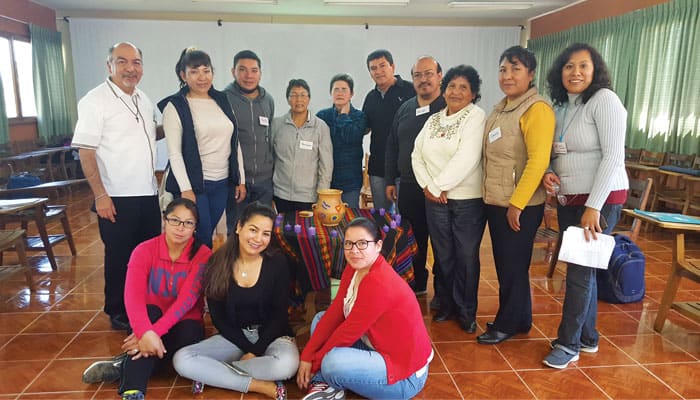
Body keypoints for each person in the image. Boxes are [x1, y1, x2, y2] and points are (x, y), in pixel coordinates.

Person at [542, 43, 628, 369]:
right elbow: (556, 152)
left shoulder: (605, 100)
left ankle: (568, 344)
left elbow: (613, 157)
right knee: (583, 269)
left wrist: (595, 205)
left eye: (583, 66)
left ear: (595, 71)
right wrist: (549, 172)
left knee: (578, 272)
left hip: (599, 200)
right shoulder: (562, 106)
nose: (575, 72)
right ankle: (587, 337)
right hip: (569, 199)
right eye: (568, 66)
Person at [81, 198, 211, 400]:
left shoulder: (203, 255)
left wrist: (151, 335)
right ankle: (132, 391)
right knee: (151, 313)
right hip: (149, 319)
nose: (180, 228)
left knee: (187, 339)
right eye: (175, 220)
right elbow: (132, 298)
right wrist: (145, 331)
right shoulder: (144, 250)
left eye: (188, 223)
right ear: (164, 220)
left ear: (195, 228)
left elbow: (185, 303)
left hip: (183, 320)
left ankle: (123, 364)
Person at [72, 42, 161, 332]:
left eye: (136, 62)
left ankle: (141, 303)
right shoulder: (94, 101)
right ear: (109, 65)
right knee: (120, 257)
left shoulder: (143, 99)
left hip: (147, 192)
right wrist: (100, 195)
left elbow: (149, 133)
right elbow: (86, 150)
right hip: (116, 196)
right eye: (122, 62)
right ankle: (118, 310)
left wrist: (179, 126)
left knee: (146, 254)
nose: (130, 68)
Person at [297, 218, 432, 400]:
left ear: (378, 245)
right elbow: (336, 311)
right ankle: (330, 383)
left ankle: (326, 381)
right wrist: (307, 356)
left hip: (403, 375)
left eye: (362, 243)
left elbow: (348, 332)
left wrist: (314, 365)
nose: (354, 251)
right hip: (376, 345)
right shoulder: (355, 267)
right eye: (349, 244)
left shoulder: (378, 281)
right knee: (321, 318)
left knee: (331, 362)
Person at [173, 202, 298, 399]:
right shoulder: (218, 262)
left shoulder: (277, 262)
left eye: (266, 233)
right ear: (239, 227)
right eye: (253, 230)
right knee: (182, 359)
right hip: (233, 337)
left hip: (273, 337)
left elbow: (279, 314)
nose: (258, 239)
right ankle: (256, 384)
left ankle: (214, 373)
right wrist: (247, 349)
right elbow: (218, 318)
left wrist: (255, 351)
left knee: (286, 366)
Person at [478, 46, 556, 345]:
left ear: (531, 74)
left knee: (512, 265)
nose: (507, 76)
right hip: (497, 200)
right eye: (503, 70)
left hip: (518, 205)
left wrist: (517, 204)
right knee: (509, 263)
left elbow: (538, 161)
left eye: (515, 69)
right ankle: (521, 318)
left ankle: (507, 323)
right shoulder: (500, 109)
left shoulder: (537, 110)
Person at [411, 65, 487, 333]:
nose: (456, 92)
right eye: (452, 86)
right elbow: (416, 154)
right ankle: (445, 304)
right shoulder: (433, 120)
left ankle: (466, 310)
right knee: (443, 255)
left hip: (467, 200)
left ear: (473, 93)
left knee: (465, 256)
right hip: (434, 198)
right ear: (444, 91)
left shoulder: (475, 117)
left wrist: (439, 185)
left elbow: (467, 158)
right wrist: (429, 187)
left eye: (463, 87)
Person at [158, 48, 244, 249]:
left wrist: (240, 179)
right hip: (196, 184)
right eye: (194, 71)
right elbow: (175, 153)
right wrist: (186, 189)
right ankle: (194, 275)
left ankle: (201, 274)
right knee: (201, 233)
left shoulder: (221, 100)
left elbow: (235, 140)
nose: (202, 77)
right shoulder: (175, 106)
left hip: (222, 182)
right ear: (183, 75)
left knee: (208, 232)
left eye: (206, 71)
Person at [385, 55, 445, 298]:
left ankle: (443, 293)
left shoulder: (448, 107)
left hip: (440, 188)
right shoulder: (406, 108)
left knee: (442, 243)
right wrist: (390, 179)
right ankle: (416, 283)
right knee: (412, 239)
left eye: (428, 73)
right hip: (409, 186)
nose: (423, 79)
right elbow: (392, 144)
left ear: (440, 75)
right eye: (418, 75)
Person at [223, 50, 275, 234]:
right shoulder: (224, 99)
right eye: (243, 70)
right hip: (237, 181)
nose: (249, 75)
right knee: (237, 229)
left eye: (254, 70)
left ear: (260, 73)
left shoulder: (268, 100)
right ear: (233, 71)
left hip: (264, 182)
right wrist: (236, 177)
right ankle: (234, 264)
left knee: (262, 229)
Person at [362, 49, 416, 212]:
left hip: (405, 168)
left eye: (382, 65)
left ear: (392, 66)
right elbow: (365, 127)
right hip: (378, 168)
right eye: (373, 68)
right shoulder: (371, 97)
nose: (378, 71)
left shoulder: (410, 90)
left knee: (404, 217)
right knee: (381, 216)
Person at [272, 79, 333, 213]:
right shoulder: (277, 125)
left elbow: (326, 165)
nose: (298, 99)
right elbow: (270, 158)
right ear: (288, 99)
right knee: (282, 232)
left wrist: (322, 194)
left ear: (309, 99)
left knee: (306, 233)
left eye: (303, 95)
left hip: (308, 196)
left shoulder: (320, 127)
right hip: (280, 193)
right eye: (293, 95)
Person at [316, 73, 367, 208]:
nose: (340, 93)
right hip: (327, 179)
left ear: (352, 94)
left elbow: (352, 137)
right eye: (336, 90)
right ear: (330, 93)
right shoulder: (322, 116)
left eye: (344, 89)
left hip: (350, 180)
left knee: (349, 218)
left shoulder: (359, 117)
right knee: (325, 217)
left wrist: (343, 115)